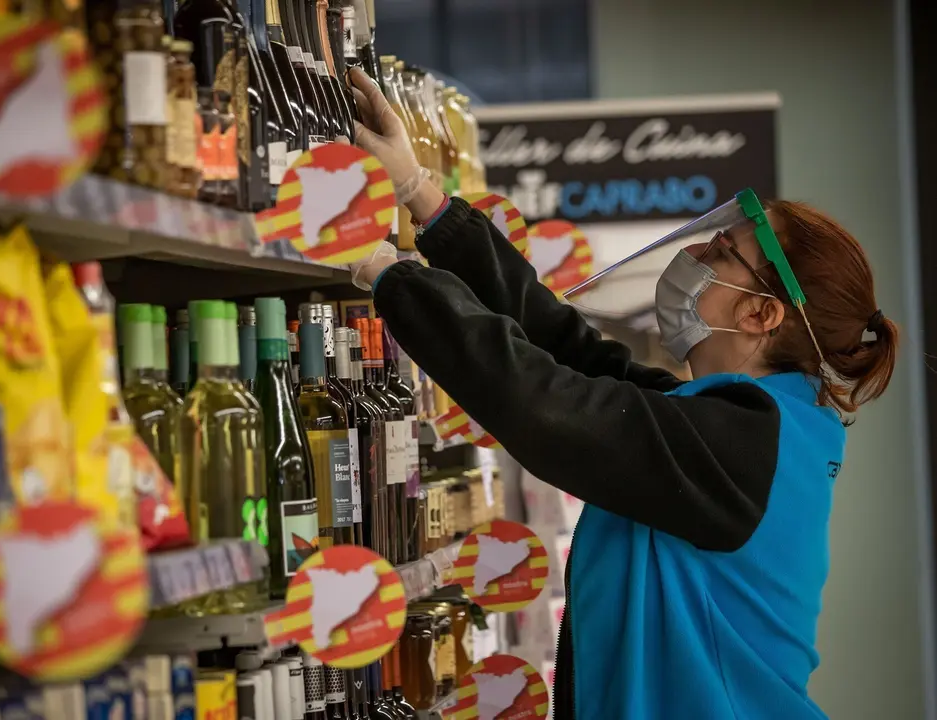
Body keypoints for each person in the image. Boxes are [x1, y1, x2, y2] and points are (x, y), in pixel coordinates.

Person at [345, 67, 899, 720]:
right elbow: (570, 352)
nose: (695, 255)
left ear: (760, 316)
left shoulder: (743, 445)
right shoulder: (736, 424)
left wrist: (396, 277)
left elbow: (544, 406)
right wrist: (421, 196)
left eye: (721, 252)